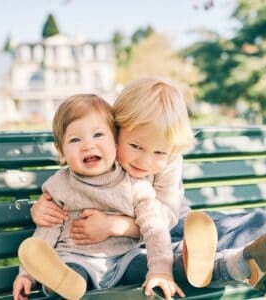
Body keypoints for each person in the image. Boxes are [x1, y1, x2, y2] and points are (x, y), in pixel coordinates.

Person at [30, 78, 266, 299]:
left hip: (171, 224)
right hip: (145, 243)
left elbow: (164, 219)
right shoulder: (98, 161)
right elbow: (61, 198)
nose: (146, 161)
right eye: (134, 146)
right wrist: (41, 209)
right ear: (115, 131)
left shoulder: (165, 158)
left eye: (160, 153)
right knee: (216, 241)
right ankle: (251, 263)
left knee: (251, 224)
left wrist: (116, 225)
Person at [12, 93, 218, 300]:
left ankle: (190, 263)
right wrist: (27, 274)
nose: (88, 145)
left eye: (98, 135)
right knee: (69, 274)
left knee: (155, 266)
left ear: (115, 141)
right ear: (62, 151)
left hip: (124, 259)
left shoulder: (133, 184)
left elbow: (155, 228)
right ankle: (66, 286)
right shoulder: (60, 186)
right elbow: (47, 229)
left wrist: (161, 270)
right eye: (75, 139)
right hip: (77, 258)